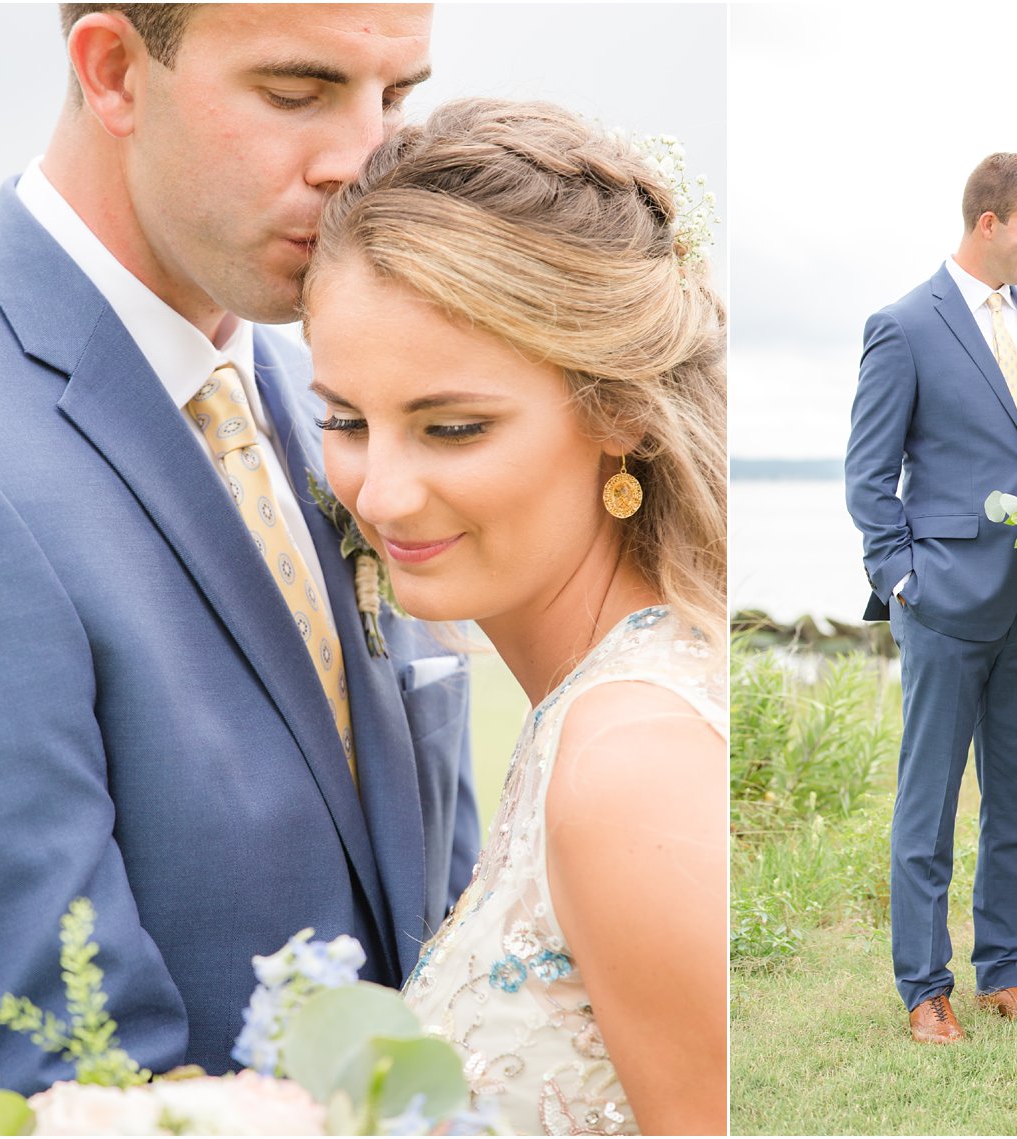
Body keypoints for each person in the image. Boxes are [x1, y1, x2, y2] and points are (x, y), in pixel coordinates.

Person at [0, 3, 480, 1092]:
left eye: (396, 96)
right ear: (113, 71)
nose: (364, 162)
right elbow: (56, 1050)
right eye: (297, 92)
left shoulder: (345, 406)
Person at [301, 98, 728, 1134]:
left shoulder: (628, 764)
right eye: (345, 420)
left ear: (618, 408)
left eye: (452, 427)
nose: (383, 492)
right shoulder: (585, 715)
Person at [845, 154, 1017, 1043]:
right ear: (989, 222)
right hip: (943, 603)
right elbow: (869, 477)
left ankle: (1006, 974)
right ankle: (922, 986)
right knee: (929, 802)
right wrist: (902, 581)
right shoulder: (904, 325)